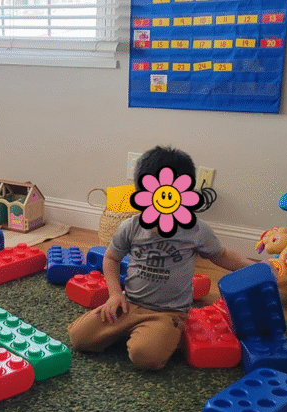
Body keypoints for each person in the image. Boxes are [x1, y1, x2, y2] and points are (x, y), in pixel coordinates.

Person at [67, 145, 253, 370]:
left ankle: (159, 334)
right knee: (79, 337)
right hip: (129, 303)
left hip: (167, 312)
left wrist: (253, 268)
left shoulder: (196, 230)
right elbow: (111, 258)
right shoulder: (131, 226)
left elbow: (221, 255)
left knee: (146, 357)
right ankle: (138, 333)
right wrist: (115, 295)